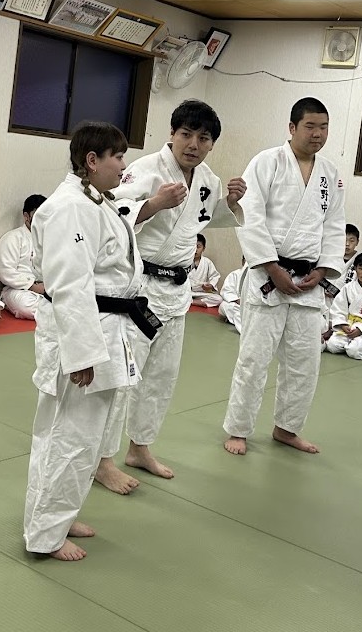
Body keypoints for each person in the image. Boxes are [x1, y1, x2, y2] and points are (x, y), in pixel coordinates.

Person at [23, 121, 164, 562]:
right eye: (117, 157)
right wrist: (81, 353)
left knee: (78, 438)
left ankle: (57, 518)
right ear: (92, 160)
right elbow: (70, 284)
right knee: (69, 437)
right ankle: (46, 535)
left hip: (103, 326)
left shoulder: (94, 200)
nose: (123, 166)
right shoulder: (70, 208)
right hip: (82, 333)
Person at [94, 99, 246, 494]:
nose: (194, 144)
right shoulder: (144, 169)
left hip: (178, 291)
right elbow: (112, 214)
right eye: (186, 134)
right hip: (140, 288)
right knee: (123, 379)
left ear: (211, 144)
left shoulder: (208, 179)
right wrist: (153, 204)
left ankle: (139, 447)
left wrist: (230, 203)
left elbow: (203, 219)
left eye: (204, 138)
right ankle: (102, 460)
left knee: (161, 378)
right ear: (172, 134)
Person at [223, 96, 345, 456]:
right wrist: (272, 267)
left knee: (305, 362)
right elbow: (249, 216)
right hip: (268, 277)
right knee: (254, 359)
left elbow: (334, 226)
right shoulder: (267, 162)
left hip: (308, 282)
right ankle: (238, 430)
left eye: (324, 127)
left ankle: (287, 428)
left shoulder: (330, 174)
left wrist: (323, 270)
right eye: (310, 126)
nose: (318, 134)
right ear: (292, 127)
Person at [0, 194, 47, 320]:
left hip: (46, 289)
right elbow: (5, 271)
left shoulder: (51, 239)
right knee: (26, 306)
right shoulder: (12, 238)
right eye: (38, 215)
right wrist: (32, 286)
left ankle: (52, 311)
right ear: (26, 216)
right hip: (18, 290)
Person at [189, 233, 223, 307]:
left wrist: (211, 285)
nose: (195, 250)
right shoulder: (185, 261)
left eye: (198, 247)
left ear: (203, 248)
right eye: (193, 246)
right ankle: (192, 301)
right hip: (187, 292)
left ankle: (192, 302)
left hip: (201, 292)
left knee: (219, 299)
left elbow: (215, 276)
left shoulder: (207, 262)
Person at [218, 257, 246, 333]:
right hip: (237, 305)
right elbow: (226, 291)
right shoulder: (235, 274)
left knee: (238, 314)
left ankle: (241, 325)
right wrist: (237, 300)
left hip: (251, 308)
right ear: (243, 262)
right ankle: (242, 323)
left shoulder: (259, 277)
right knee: (223, 305)